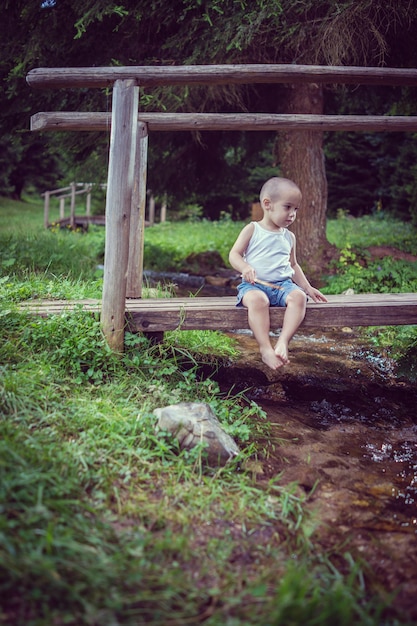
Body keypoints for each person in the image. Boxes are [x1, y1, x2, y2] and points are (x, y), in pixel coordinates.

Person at [229, 176, 328, 370]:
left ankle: (283, 341)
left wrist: (307, 288)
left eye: (296, 209)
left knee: (298, 297)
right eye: (288, 207)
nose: (292, 214)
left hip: (283, 285)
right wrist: (245, 268)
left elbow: (294, 265)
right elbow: (234, 254)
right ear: (268, 204)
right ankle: (265, 348)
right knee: (259, 301)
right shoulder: (253, 229)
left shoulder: (289, 236)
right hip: (254, 286)